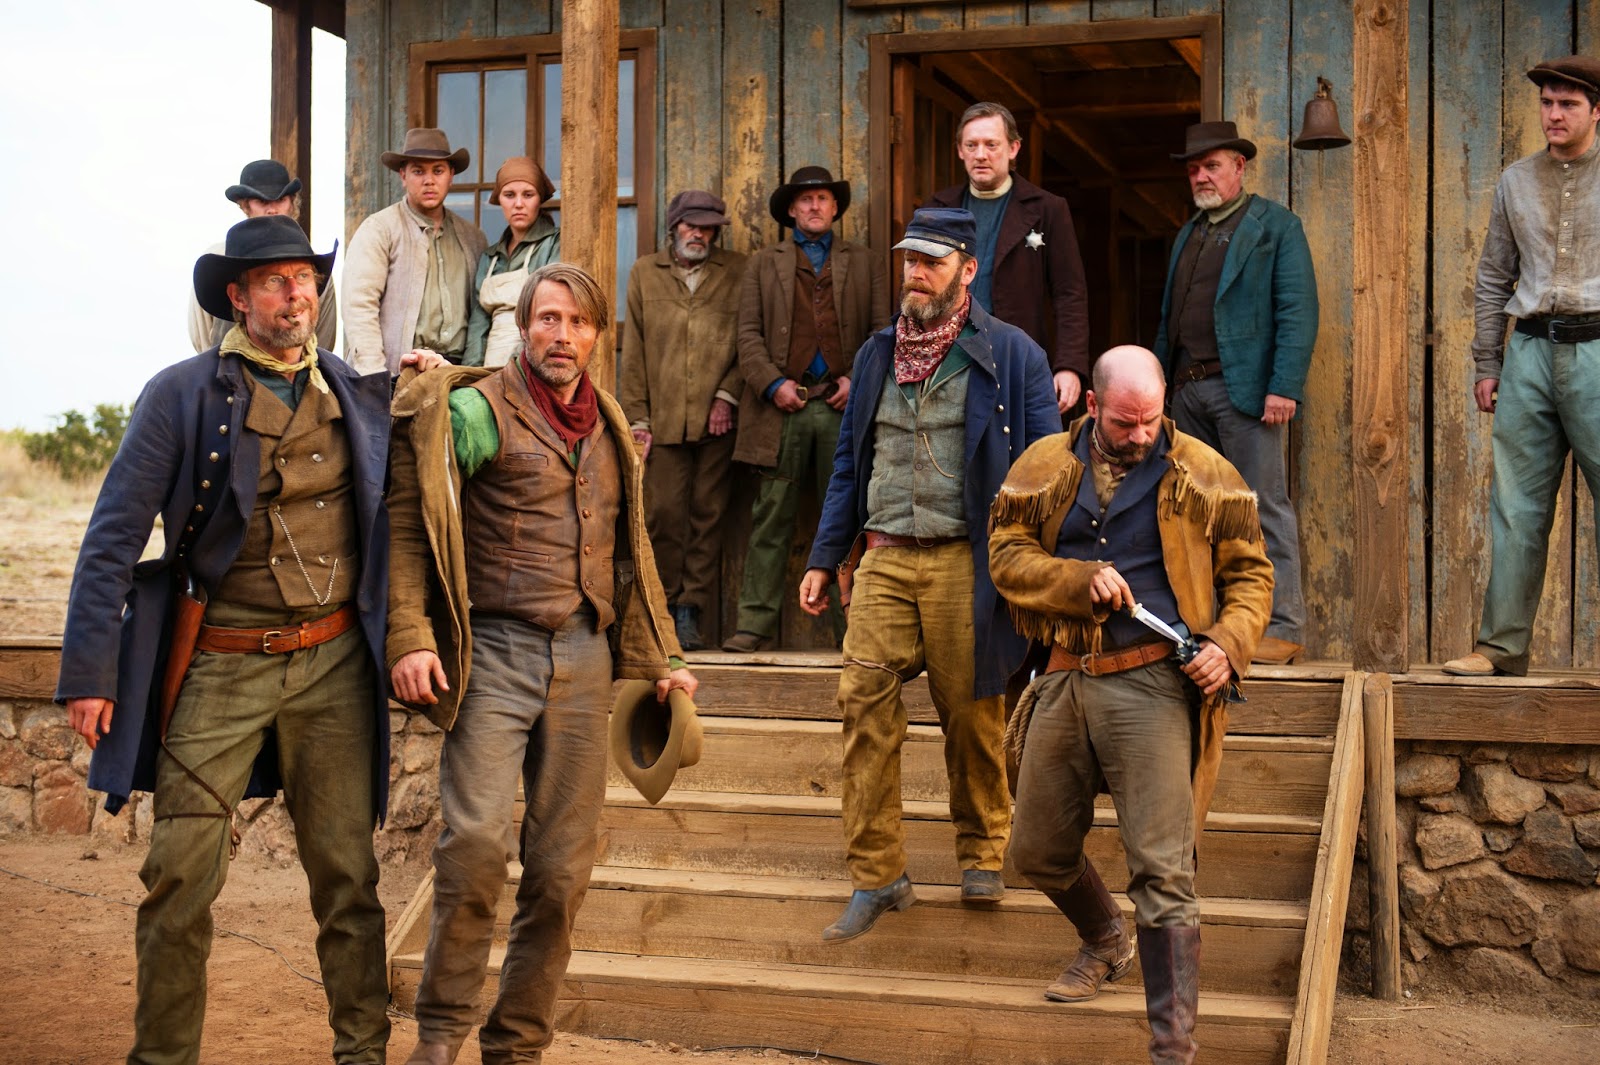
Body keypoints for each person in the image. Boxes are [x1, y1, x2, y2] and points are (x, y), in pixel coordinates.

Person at [57, 215, 439, 1065]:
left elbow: (410, 505)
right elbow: (112, 537)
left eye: (305, 278)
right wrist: (90, 672)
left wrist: (432, 379)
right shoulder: (180, 394)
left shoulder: (357, 393)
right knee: (178, 875)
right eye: (274, 281)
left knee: (348, 879)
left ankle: (363, 1054)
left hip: (334, 664)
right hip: (221, 662)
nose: (295, 295)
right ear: (238, 297)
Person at [385, 262, 698, 1065]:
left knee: (560, 870)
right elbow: (412, 518)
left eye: (579, 322)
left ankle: (517, 1044)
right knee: (475, 845)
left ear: (597, 335)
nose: (563, 336)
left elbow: (630, 547)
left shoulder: (609, 423)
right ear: (523, 327)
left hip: (585, 657)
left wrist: (662, 655)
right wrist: (411, 633)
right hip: (495, 650)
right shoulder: (477, 410)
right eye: (548, 319)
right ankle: (439, 1035)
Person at [988, 345, 1272, 1065]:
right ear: (1092, 406)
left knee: (1163, 872)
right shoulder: (1045, 463)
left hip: (1153, 682)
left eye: (1150, 420)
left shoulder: (1207, 473)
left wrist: (1226, 644)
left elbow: (1252, 577)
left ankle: (1172, 1049)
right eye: (1124, 423)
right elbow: (1005, 554)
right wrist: (1074, 579)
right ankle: (1104, 937)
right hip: (1064, 675)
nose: (1140, 435)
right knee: (1036, 849)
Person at [799, 207, 1060, 941]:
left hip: (964, 558)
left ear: (967, 270)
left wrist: (1036, 571)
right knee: (863, 708)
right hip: (883, 557)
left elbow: (1048, 470)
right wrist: (825, 556)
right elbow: (851, 462)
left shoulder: (1013, 354)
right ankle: (877, 874)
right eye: (910, 260)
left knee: (972, 714)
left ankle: (983, 852)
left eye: (932, 262)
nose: (915, 274)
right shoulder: (876, 354)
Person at [1443, 56, 1600, 677]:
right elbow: (1492, 276)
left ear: (1597, 111)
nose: (1554, 114)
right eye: (1547, 103)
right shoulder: (1515, 180)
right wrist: (1489, 362)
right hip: (1529, 352)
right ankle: (1501, 648)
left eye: (1568, 104)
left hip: (1597, 349)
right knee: (1516, 507)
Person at [1152, 120, 1318, 664]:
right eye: (1194, 169)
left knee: (1261, 506)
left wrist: (1283, 386)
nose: (1202, 176)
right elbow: (1169, 318)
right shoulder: (1188, 232)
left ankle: (1282, 626)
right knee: (1197, 513)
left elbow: (1297, 310)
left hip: (1244, 392)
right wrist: (1159, 387)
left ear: (1239, 167)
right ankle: (1213, 627)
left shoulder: (1275, 226)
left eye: (1212, 166)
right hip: (1186, 392)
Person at [724, 166, 890, 652]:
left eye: (822, 199)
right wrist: (772, 383)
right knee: (771, 516)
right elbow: (747, 335)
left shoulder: (866, 262)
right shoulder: (762, 264)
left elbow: (883, 332)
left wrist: (856, 379)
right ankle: (754, 625)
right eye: (805, 200)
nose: (815, 206)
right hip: (782, 411)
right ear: (792, 210)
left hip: (842, 409)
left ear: (835, 208)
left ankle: (852, 630)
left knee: (847, 519)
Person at [620, 190, 748, 650]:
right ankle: (663, 608)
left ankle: (691, 609)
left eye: (707, 227)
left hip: (717, 419)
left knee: (708, 515)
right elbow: (633, 351)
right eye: (691, 225)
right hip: (664, 418)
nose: (699, 234)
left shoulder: (738, 271)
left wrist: (727, 396)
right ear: (674, 227)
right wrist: (638, 418)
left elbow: (749, 341)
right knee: (663, 515)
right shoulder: (644, 272)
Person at [928, 101, 1090, 414]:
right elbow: (918, 286)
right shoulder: (938, 208)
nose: (981, 154)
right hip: (946, 361)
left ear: (1013, 148)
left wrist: (1069, 366)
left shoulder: (1047, 209)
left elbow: (1069, 293)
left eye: (991, 145)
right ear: (960, 150)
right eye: (971, 145)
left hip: (1017, 361)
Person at [343, 127, 488, 374]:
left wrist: (472, 375)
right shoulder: (379, 229)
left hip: (455, 371)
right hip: (398, 369)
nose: (429, 180)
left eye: (438, 171)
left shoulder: (473, 238)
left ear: (451, 176)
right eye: (418, 171)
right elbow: (359, 307)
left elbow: (480, 316)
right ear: (403, 176)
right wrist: (374, 376)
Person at [187, 159, 338, 352]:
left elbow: (323, 343)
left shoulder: (314, 267)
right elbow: (201, 336)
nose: (272, 210)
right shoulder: (218, 260)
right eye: (262, 201)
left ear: (292, 203)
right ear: (245, 206)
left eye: (280, 200)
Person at [463, 157, 561, 367]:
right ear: (500, 200)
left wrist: (516, 366)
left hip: (532, 363)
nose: (518, 204)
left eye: (528, 195)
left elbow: (549, 312)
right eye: (509, 195)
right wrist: (472, 375)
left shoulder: (554, 244)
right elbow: (479, 326)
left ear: (539, 199)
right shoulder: (490, 258)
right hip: (490, 365)